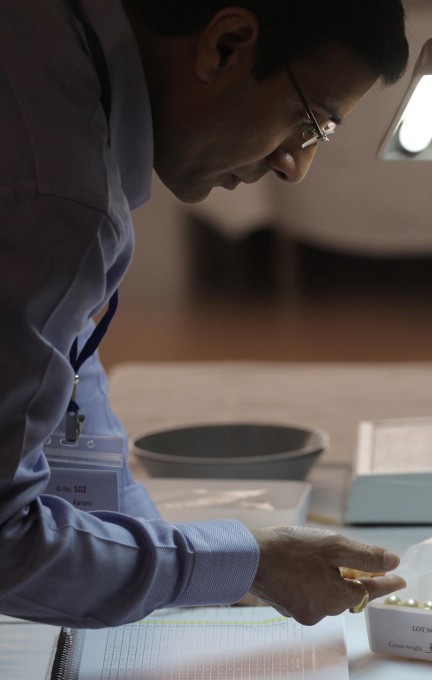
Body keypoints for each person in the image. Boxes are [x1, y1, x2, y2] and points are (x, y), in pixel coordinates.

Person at [0, 0, 410, 628]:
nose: (296, 166)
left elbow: (72, 379)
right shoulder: (58, 196)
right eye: (308, 122)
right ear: (226, 45)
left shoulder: (52, 46)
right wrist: (243, 562)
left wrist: (172, 558)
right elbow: (7, 542)